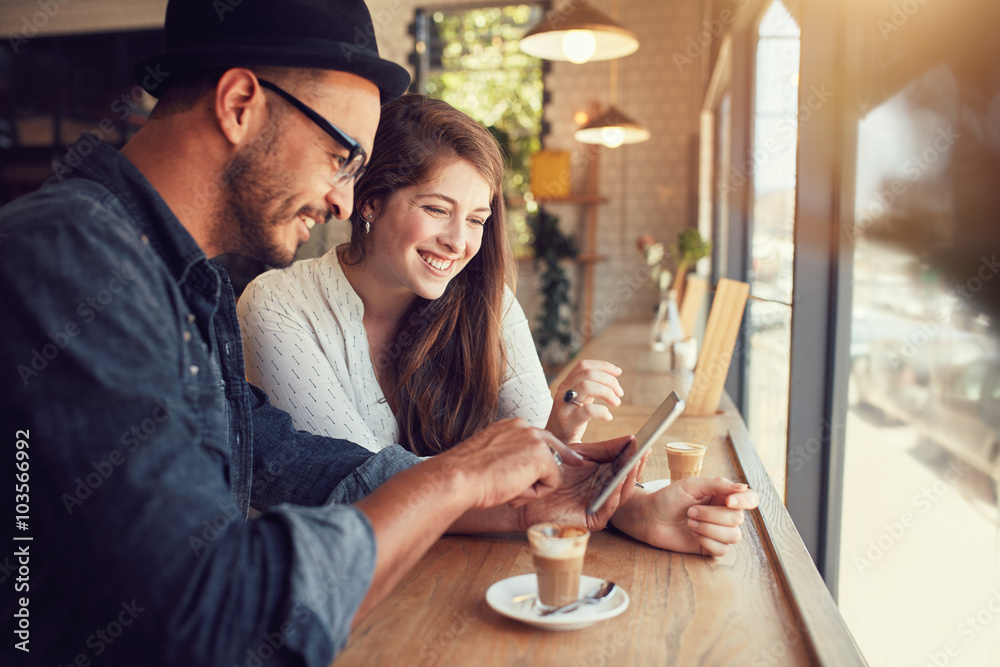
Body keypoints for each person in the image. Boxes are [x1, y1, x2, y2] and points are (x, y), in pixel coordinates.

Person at [0, 1, 757, 665]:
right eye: (340, 157)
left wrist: (586, 499)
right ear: (239, 104)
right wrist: (456, 474)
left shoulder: (187, 283)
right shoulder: (67, 262)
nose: (339, 200)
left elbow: (311, 467)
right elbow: (212, 614)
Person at [238, 94, 624, 456]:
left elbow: (544, 456)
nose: (459, 243)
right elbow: (359, 482)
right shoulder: (276, 305)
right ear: (370, 202)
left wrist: (560, 437)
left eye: (476, 220)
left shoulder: (488, 300)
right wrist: (529, 461)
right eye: (437, 210)